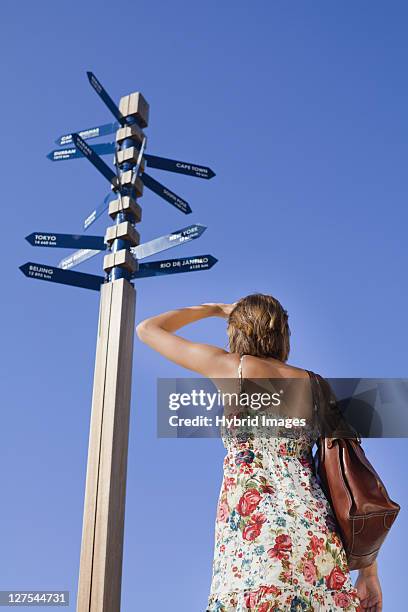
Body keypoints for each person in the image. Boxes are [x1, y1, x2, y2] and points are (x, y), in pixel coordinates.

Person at [136, 293, 382, 611]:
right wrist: (369, 571)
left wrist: (213, 309)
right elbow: (353, 476)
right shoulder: (316, 385)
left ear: (237, 332)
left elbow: (148, 329)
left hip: (256, 533)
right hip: (317, 536)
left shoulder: (230, 368)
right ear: (284, 335)